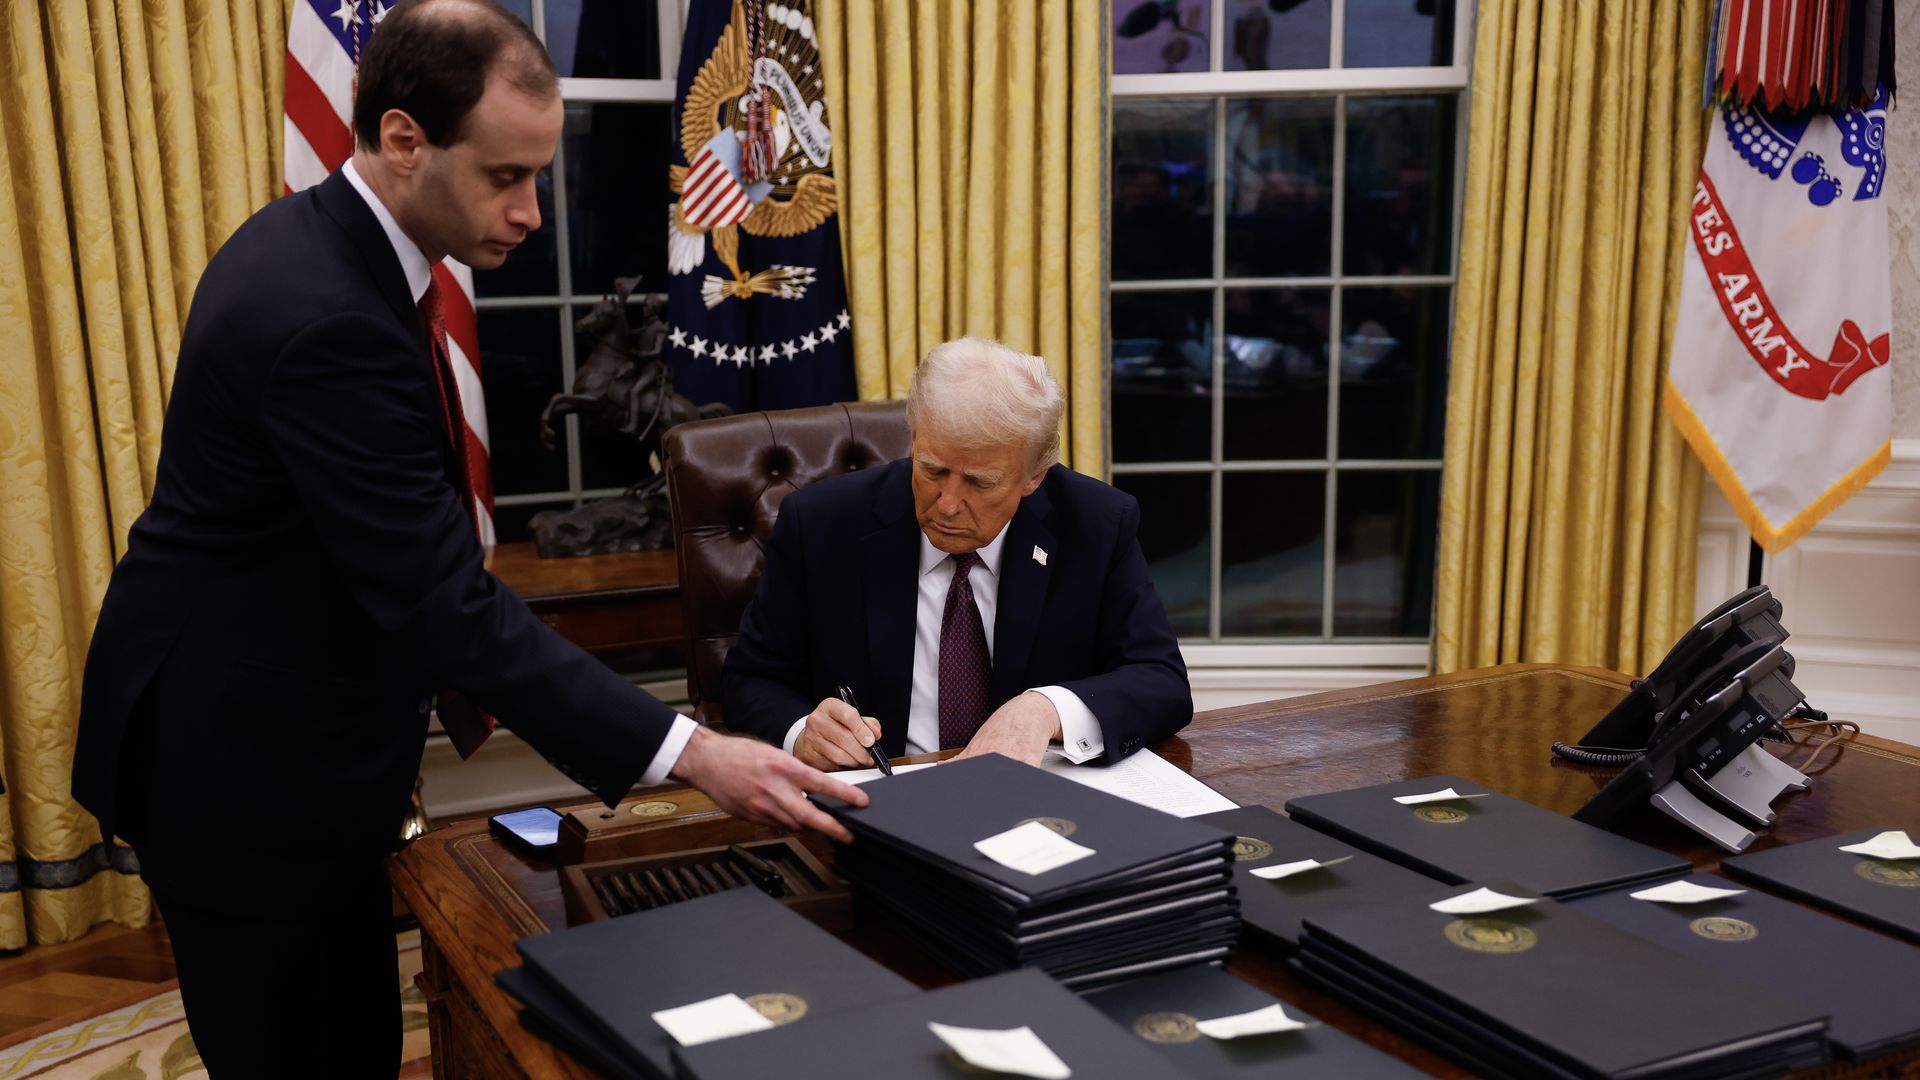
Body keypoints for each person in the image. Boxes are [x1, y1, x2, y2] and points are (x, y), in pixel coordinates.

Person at [69, 2, 864, 1074]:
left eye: (538, 174)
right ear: (404, 141)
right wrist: (693, 752)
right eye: (504, 176)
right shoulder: (325, 316)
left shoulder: (330, 246)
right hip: (242, 769)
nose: (533, 212)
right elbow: (444, 603)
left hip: (290, 729)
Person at [723, 337, 1192, 771]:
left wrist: (1046, 708)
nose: (947, 503)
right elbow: (750, 681)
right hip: (879, 800)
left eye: (979, 482)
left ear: (1034, 476)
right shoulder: (823, 524)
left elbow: (1161, 681)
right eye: (933, 469)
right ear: (914, 439)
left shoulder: (1094, 523)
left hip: (1035, 804)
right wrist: (804, 732)